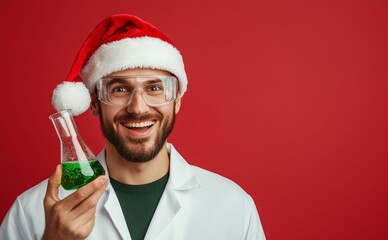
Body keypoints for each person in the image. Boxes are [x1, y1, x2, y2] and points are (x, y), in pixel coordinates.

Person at [0, 14, 265, 240]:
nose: (138, 107)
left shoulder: (233, 206)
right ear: (94, 102)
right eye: (119, 89)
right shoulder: (31, 211)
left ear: (177, 101)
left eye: (154, 88)